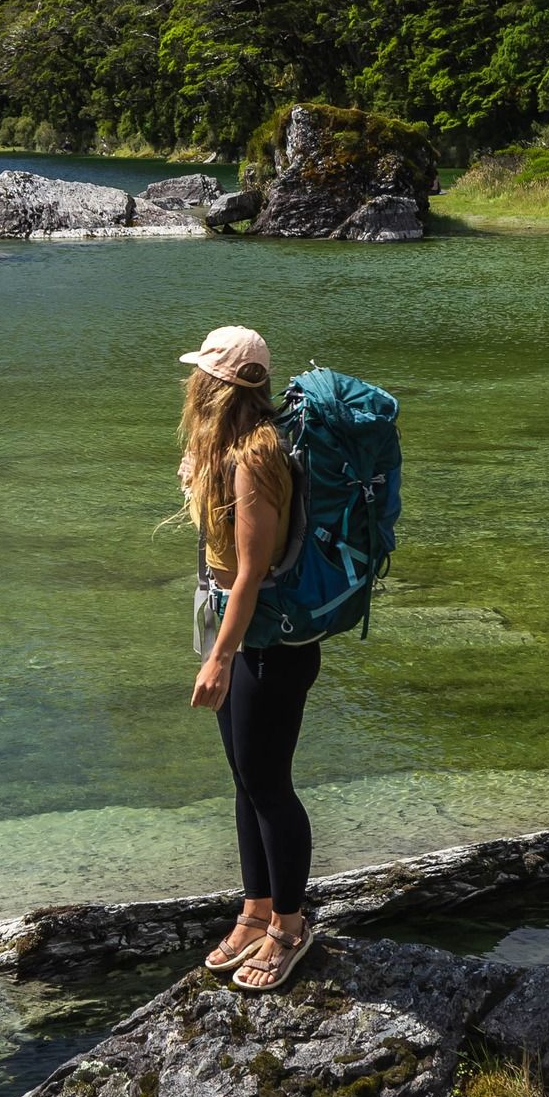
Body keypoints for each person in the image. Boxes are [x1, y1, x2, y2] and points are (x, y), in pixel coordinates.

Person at [178, 324, 322, 992]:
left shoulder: (256, 457)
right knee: (245, 780)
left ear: (219, 385)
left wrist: (219, 658)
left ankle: (291, 928)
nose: (192, 383)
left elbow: (249, 570)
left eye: (201, 375)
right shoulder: (224, 449)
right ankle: (255, 909)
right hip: (240, 638)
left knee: (268, 785)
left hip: (270, 645)